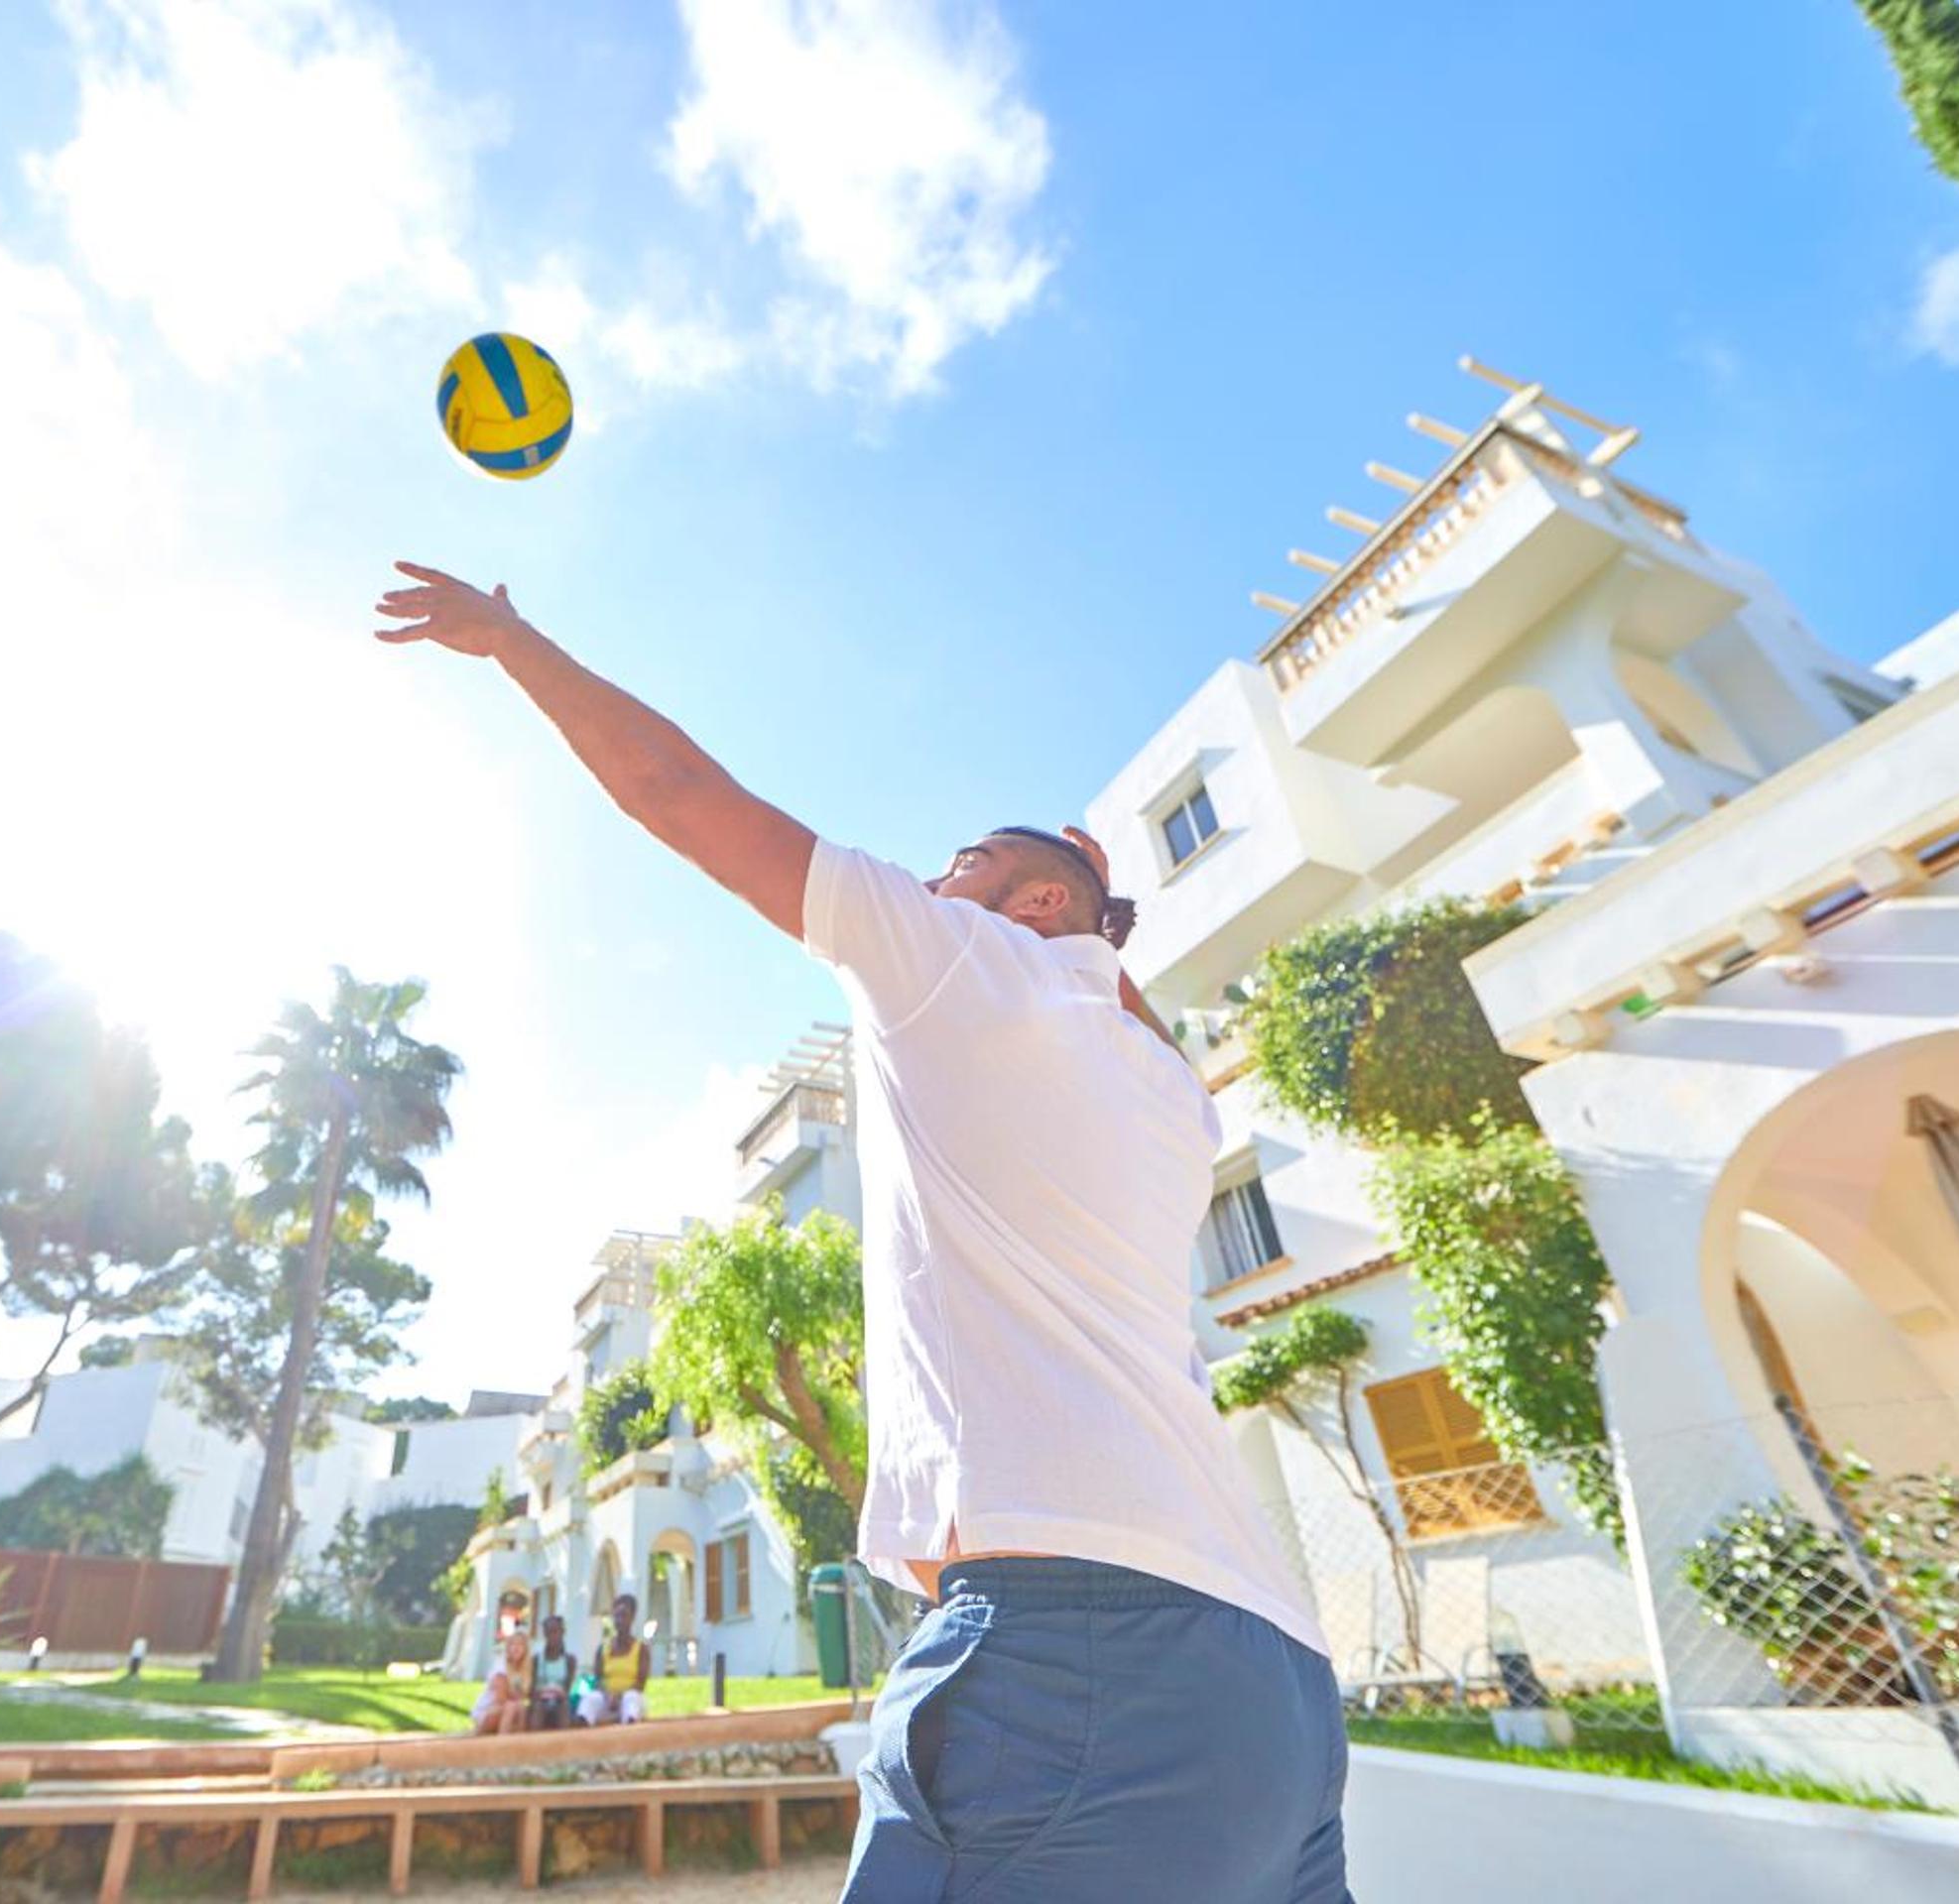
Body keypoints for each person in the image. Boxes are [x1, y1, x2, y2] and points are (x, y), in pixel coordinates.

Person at [375, 565, 1351, 1901]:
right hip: (1278, 1686)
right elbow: (1112, 988)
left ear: (1033, 908)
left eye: (967, 866)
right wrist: (1089, 900)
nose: (934, 880)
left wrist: (514, 641)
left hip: (1076, 1651)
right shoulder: (1171, 1090)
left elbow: (678, 795)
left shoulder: (957, 962)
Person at [576, 1593, 650, 1726]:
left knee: (631, 1698)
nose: (619, 1621)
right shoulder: (603, 1649)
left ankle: (630, 1729)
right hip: (608, 1700)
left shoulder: (641, 1649)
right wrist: (608, 1696)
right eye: (616, 1616)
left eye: (624, 1616)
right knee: (590, 1699)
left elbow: (641, 1683)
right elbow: (597, 1680)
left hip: (629, 1699)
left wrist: (619, 1696)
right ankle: (583, 1728)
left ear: (632, 1618)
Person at [470, 1627, 535, 1736]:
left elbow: (524, 1696)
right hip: (488, 1712)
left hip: (507, 1712)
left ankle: (520, 1742)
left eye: (520, 1645)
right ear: (508, 1648)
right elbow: (500, 1700)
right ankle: (502, 1741)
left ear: (525, 1649)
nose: (516, 1648)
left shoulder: (524, 1669)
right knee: (511, 1706)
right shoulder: (501, 1668)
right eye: (512, 1644)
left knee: (522, 1708)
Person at [530, 1612, 579, 1730]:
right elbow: (531, 1687)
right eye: (548, 1633)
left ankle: (564, 1740)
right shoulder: (536, 1659)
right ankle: (534, 1740)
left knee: (564, 1707)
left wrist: (559, 1692)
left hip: (560, 1699)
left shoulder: (569, 1660)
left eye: (555, 1632)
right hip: (541, 1699)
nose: (552, 1636)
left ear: (562, 1632)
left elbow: (569, 1688)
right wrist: (542, 1692)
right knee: (538, 1708)